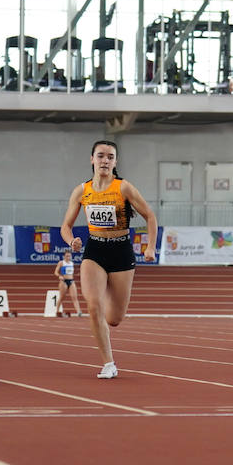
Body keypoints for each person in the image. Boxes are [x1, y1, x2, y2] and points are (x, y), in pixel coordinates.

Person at [60, 139, 158, 379]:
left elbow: (150, 216)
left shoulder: (123, 187)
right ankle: (108, 364)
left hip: (121, 251)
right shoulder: (81, 191)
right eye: (101, 156)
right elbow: (66, 226)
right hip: (95, 250)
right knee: (93, 306)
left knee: (114, 319)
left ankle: (102, 298)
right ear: (92, 159)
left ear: (115, 162)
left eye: (110, 157)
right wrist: (71, 241)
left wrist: (150, 247)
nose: (105, 161)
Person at [53, 249, 82, 317]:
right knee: (62, 297)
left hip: (71, 281)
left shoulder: (72, 263)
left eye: (69, 256)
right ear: (64, 256)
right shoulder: (61, 263)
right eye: (67, 256)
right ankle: (57, 311)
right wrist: (60, 276)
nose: (68, 257)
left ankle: (79, 311)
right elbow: (56, 272)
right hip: (63, 281)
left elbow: (71, 273)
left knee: (74, 297)